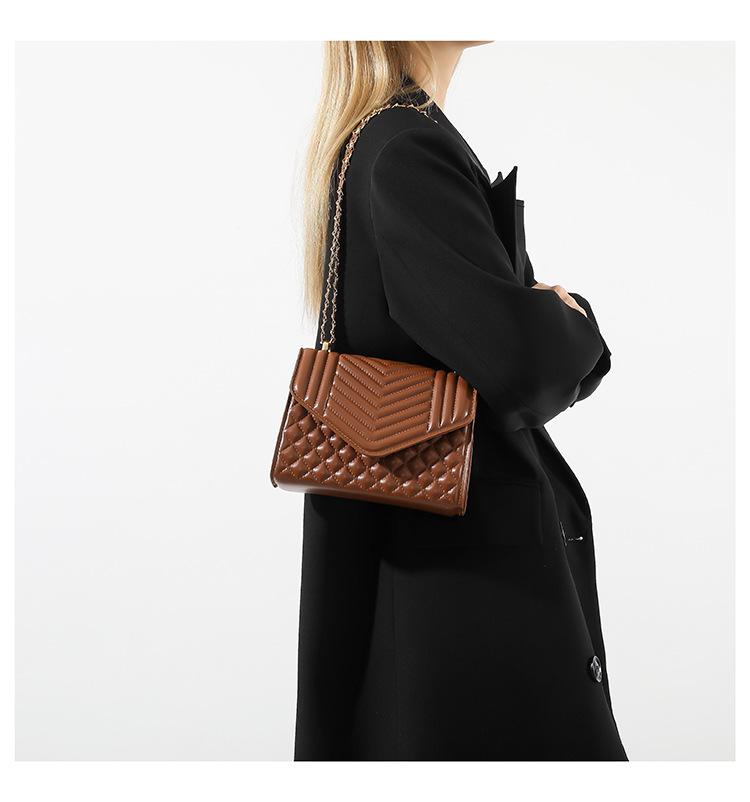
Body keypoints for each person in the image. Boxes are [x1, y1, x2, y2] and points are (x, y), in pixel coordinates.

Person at [292, 40, 627, 760]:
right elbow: (523, 363)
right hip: (469, 602)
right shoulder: (404, 147)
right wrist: (571, 316)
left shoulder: (389, 138)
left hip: (437, 583)